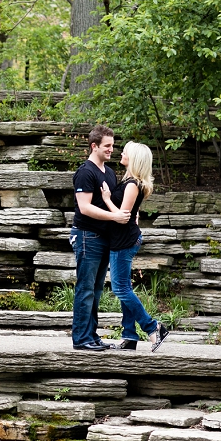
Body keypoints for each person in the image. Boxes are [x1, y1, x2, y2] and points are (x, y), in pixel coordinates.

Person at [100, 141, 170, 352]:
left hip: (124, 241)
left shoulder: (132, 184)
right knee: (124, 288)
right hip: (123, 239)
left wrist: (106, 199)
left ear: (135, 158)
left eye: (126, 152)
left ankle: (154, 327)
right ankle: (129, 337)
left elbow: (122, 216)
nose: (121, 153)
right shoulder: (130, 181)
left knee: (120, 288)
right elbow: (133, 214)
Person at [70, 125, 130, 351]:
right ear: (93, 146)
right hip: (87, 236)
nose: (111, 150)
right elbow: (84, 208)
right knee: (85, 288)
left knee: (95, 289)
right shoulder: (86, 172)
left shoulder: (109, 172)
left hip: (104, 238)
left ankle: (91, 336)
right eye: (107, 146)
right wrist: (115, 217)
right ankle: (81, 339)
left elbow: (111, 202)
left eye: (113, 146)